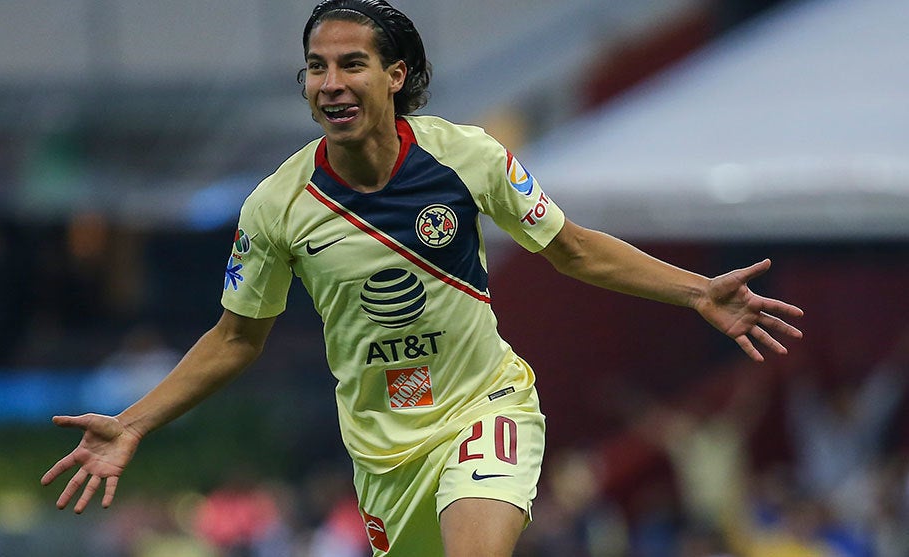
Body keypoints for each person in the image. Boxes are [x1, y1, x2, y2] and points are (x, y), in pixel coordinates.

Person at [41, 1, 804, 555]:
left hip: (484, 405)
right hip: (383, 453)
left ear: (395, 75)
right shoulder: (275, 206)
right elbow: (236, 338)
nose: (330, 82)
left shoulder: (466, 157)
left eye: (351, 64)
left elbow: (572, 249)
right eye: (316, 67)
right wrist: (134, 420)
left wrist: (696, 290)